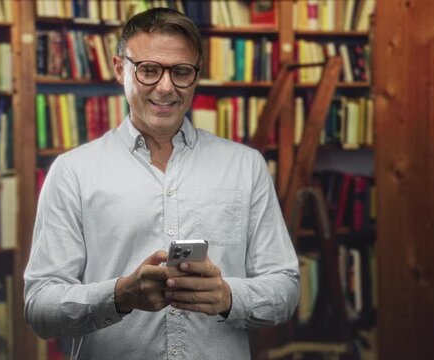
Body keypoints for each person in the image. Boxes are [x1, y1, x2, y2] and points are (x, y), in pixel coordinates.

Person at [24, 7, 299, 360]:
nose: (166, 87)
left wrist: (229, 297)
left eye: (181, 72)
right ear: (119, 68)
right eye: (149, 70)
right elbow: (38, 307)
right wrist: (119, 295)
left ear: (197, 75)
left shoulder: (246, 167)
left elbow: (286, 290)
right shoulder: (72, 172)